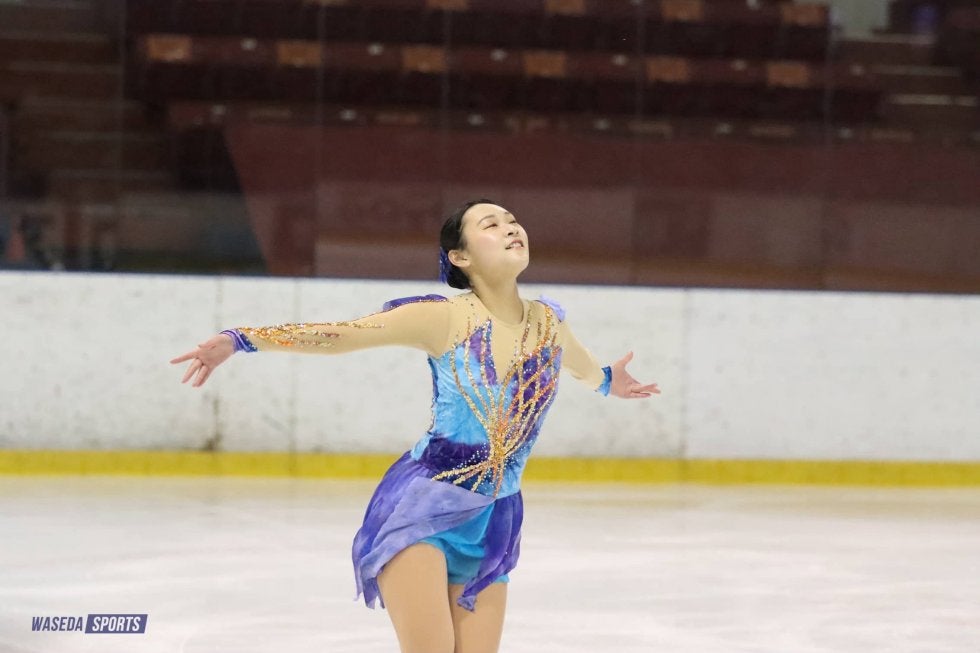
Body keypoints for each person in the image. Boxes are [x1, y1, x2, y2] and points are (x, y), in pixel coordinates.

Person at [170, 199, 660, 653]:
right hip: (424, 506)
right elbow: (343, 336)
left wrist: (608, 382)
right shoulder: (443, 318)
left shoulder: (548, 324)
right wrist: (242, 339)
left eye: (513, 221)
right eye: (491, 225)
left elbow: (584, 368)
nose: (511, 228)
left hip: (495, 518)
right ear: (460, 257)